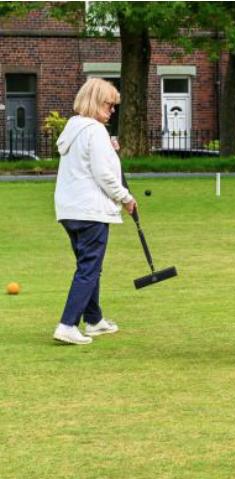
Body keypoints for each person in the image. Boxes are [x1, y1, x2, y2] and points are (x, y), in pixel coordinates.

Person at [53, 78, 136, 345]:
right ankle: (67, 324)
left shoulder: (74, 128)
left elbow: (91, 161)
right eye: (109, 104)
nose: (112, 110)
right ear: (95, 101)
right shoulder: (95, 131)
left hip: (69, 209)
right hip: (90, 210)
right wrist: (125, 197)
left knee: (89, 266)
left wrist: (111, 152)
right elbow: (104, 174)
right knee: (89, 268)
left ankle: (94, 319)